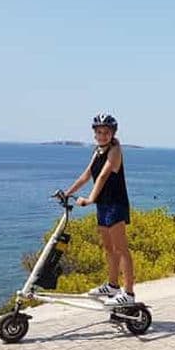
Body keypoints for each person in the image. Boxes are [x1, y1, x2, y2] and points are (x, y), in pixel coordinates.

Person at [64, 113, 136, 307]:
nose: (102, 135)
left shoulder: (115, 150)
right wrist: (67, 192)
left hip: (115, 204)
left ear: (112, 133)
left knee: (121, 249)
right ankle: (113, 285)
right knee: (108, 248)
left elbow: (103, 176)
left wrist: (90, 199)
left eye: (106, 132)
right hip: (102, 204)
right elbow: (87, 175)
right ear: (95, 134)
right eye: (99, 132)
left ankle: (129, 293)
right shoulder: (97, 151)